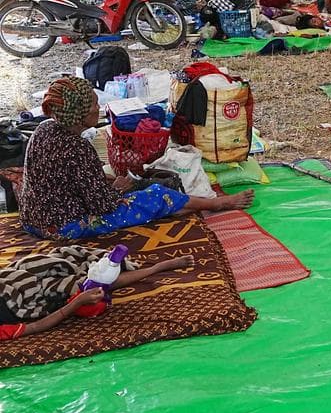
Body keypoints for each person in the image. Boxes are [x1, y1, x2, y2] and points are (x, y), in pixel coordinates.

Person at [20, 78, 254, 240]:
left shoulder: (44, 129)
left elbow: (75, 178)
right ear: (79, 114)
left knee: (125, 182)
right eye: (93, 104)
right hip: (64, 227)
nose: (98, 107)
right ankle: (217, 204)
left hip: (33, 219)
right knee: (156, 195)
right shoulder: (77, 148)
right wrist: (119, 188)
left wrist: (109, 182)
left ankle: (178, 205)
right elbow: (102, 205)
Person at [0, 249, 196, 340]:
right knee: (92, 288)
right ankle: (157, 268)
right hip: (31, 300)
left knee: (42, 264)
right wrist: (77, 302)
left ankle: (105, 267)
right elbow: (35, 327)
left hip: (14, 281)